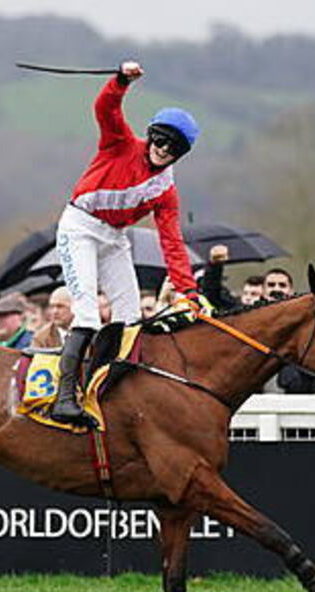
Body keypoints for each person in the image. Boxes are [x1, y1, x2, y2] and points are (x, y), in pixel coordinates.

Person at [50, 59, 207, 427]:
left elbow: (172, 243)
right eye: (161, 140)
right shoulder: (121, 142)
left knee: (129, 317)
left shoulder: (165, 191)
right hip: (79, 227)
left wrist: (188, 291)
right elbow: (105, 109)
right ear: (151, 135)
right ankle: (63, 397)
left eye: (174, 148)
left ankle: (104, 389)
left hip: (114, 238)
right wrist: (121, 81)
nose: (163, 150)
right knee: (88, 314)